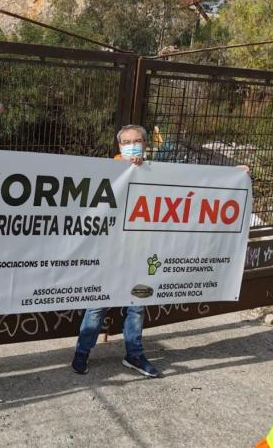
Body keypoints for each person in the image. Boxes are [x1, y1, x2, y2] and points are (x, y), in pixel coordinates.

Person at [70, 124, 160, 378]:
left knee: (137, 306)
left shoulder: (155, 171)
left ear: (145, 143)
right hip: (109, 252)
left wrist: (234, 174)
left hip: (139, 251)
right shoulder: (109, 169)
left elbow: (192, 180)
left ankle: (134, 355)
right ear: (119, 146)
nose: (132, 145)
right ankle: (81, 353)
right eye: (126, 142)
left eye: (137, 141)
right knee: (97, 304)